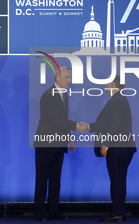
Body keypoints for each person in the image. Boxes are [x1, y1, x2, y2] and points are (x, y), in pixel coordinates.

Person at [34, 66, 87, 221]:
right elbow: (56, 118)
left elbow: (62, 119)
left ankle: (53, 210)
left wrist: (69, 138)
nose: (69, 81)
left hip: (59, 143)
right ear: (57, 77)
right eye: (67, 77)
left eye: (70, 77)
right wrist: (76, 125)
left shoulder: (63, 94)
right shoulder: (49, 95)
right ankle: (39, 210)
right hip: (46, 143)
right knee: (42, 179)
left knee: (56, 179)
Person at [88, 75, 136, 222]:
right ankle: (118, 211)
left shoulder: (117, 101)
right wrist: (88, 126)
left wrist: (107, 143)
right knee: (118, 181)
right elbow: (105, 123)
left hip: (118, 148)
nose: (104, 86)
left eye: (106, 83)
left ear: (111, 84)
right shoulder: (118, 100)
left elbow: (114, 124)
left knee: (118, 181)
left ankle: (118, 213)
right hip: (120, 148)